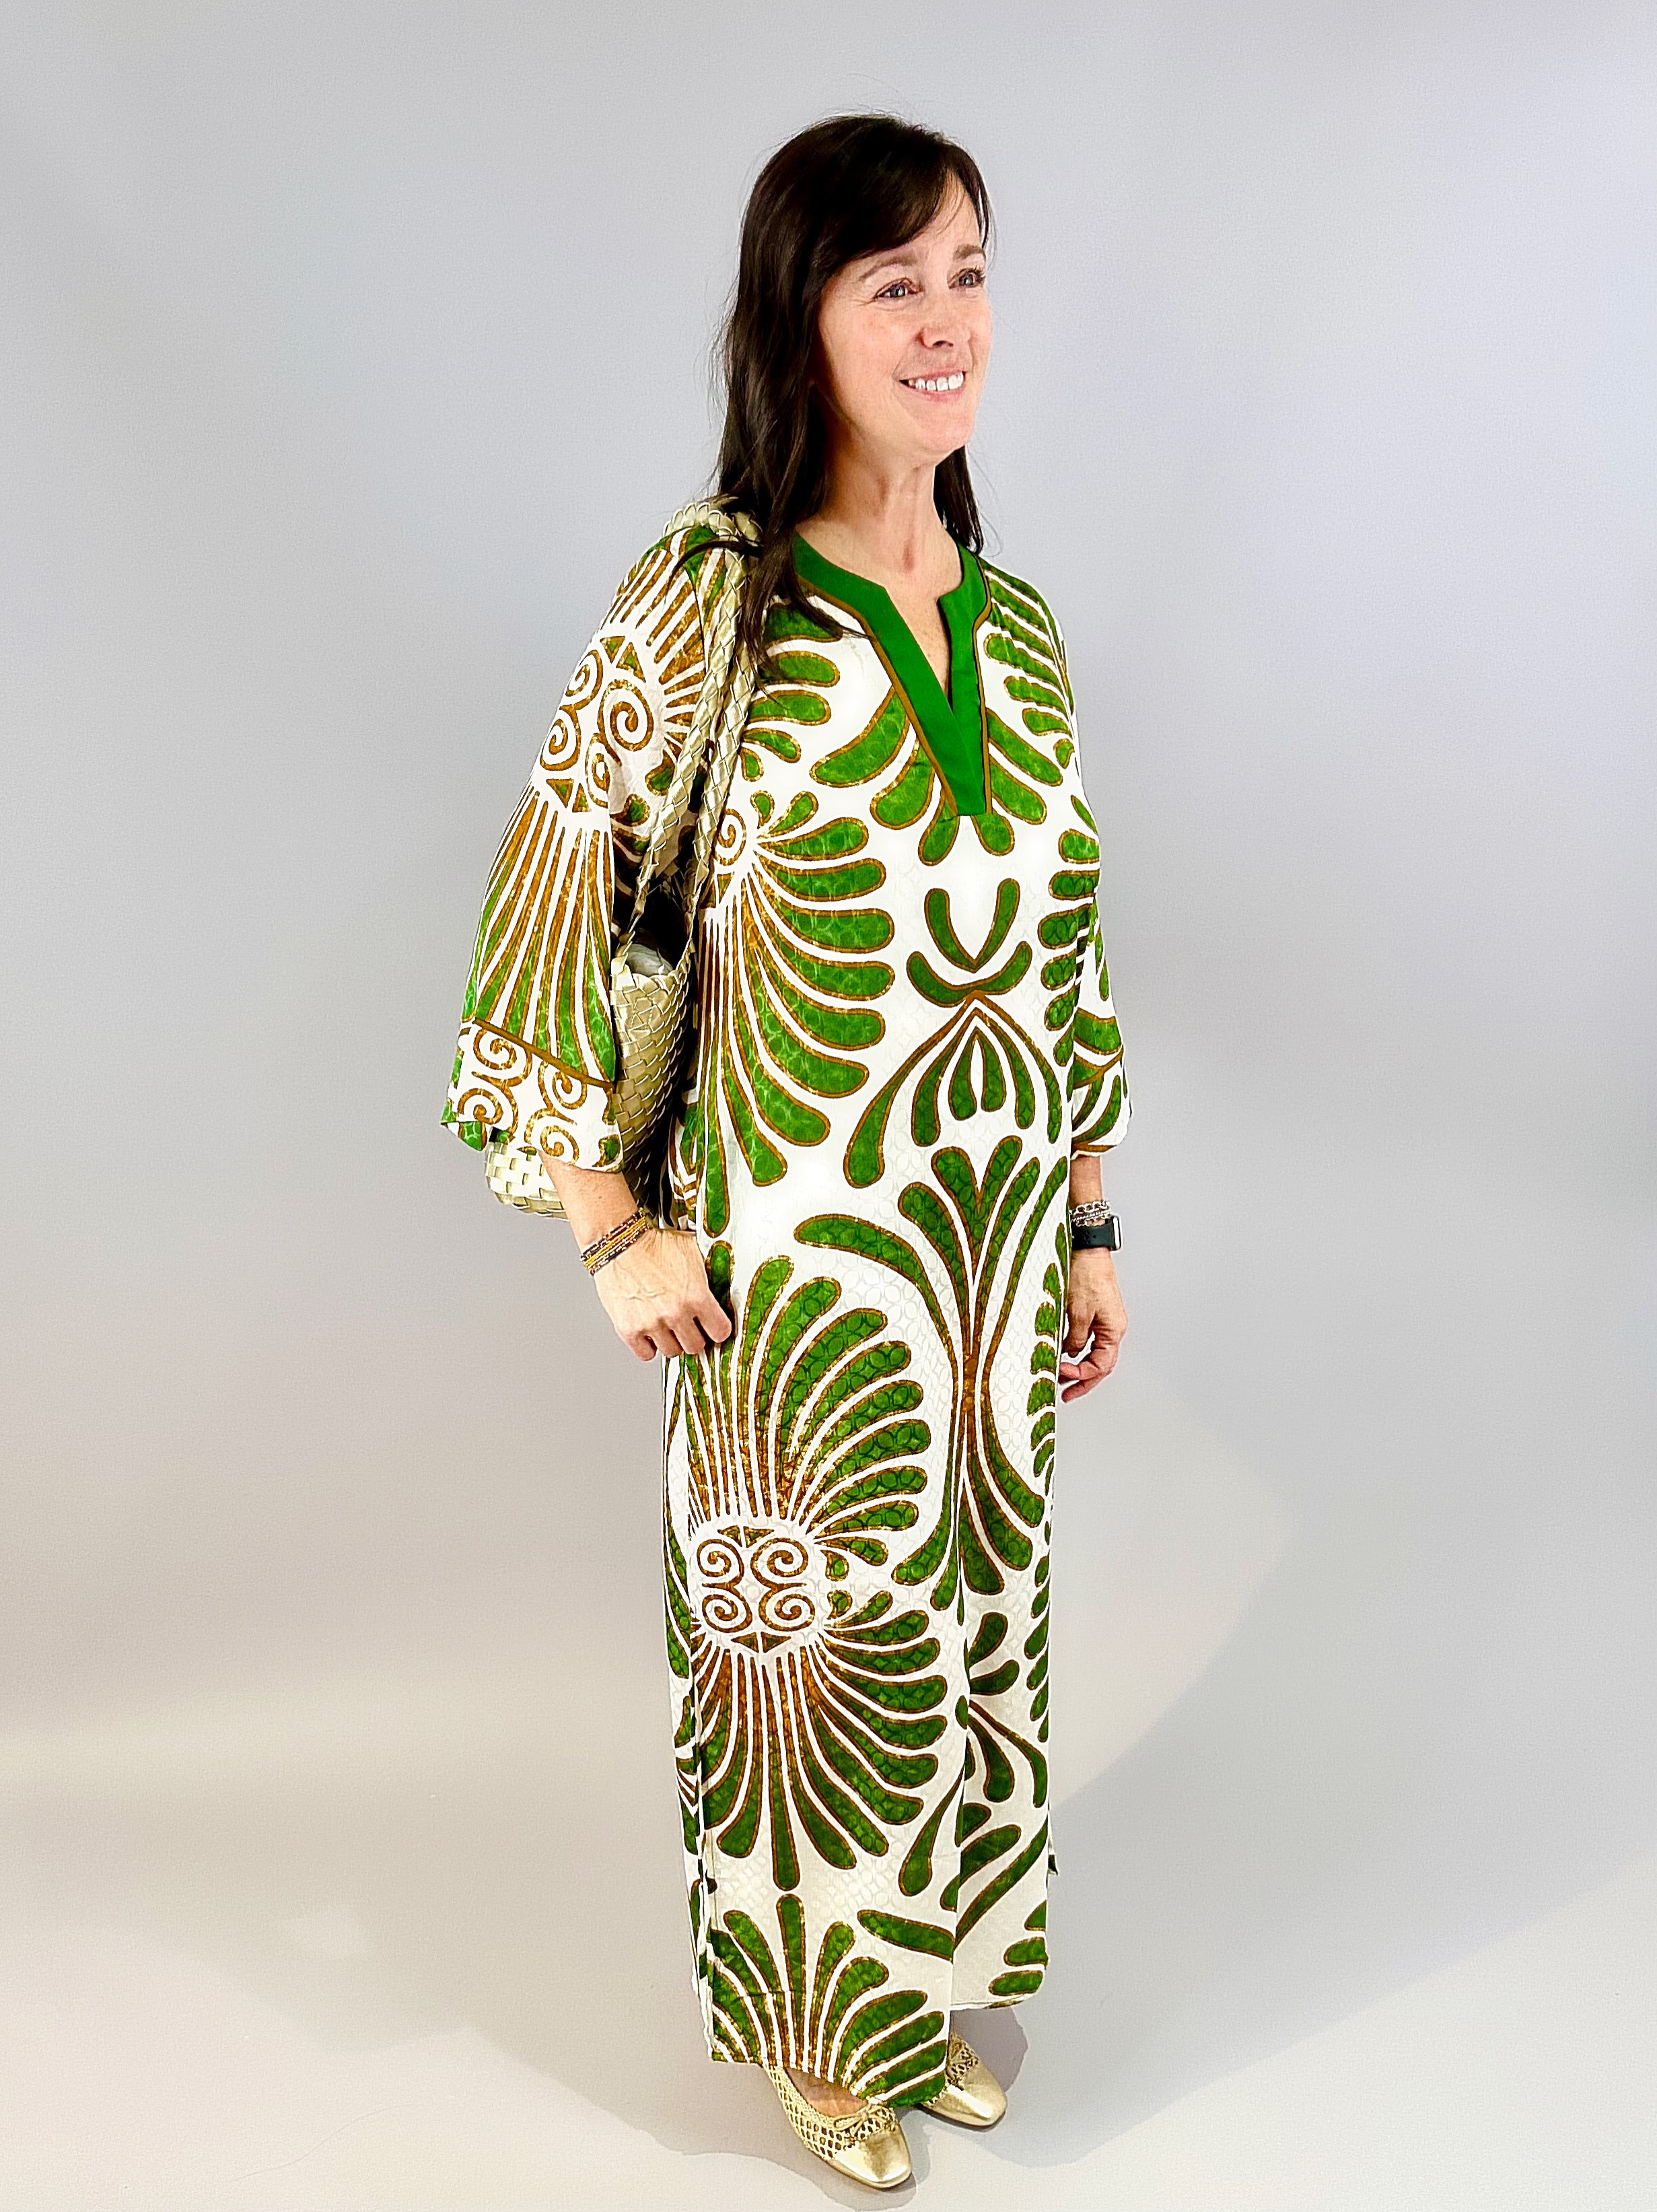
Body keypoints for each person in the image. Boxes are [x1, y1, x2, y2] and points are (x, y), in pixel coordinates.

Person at [442, 113, 1131, 2192]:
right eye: (892, 282)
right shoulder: (711, 596)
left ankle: (926, 1990)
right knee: (814, 1654)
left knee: (971, 1622)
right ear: (798, 321)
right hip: (797, 1270)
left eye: (970, 273)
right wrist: (609, 1226)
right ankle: (822, 2031)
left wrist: (1093, 1222)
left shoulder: (1016, 626)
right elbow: (560, 897)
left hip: (988, 1265)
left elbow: (1066, 942)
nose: (947, 322)